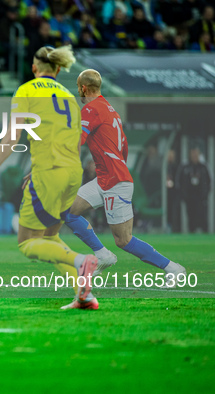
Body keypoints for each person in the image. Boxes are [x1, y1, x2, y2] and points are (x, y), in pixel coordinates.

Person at [0, 45, 99, 310]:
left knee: (27, 242)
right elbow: (76, 141)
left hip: (49, 173)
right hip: (72, 172)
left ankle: (82, 261)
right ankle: (84, 294)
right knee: (50, 236)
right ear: (56, 68)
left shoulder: (26, 90)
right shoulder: (69, 96)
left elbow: (14, 135)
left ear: (34, 68)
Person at [62, 69, 187, 288]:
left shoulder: (91, 108)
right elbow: (124, 147)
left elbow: (76, 142)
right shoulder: (111, 110)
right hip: (106, 178)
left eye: (77, 86)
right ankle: (102, 255)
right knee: (68, 210)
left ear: (83, 88)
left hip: (114, 182)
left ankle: (173, 268)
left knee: (124, 240)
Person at [177, 146, 211, 233]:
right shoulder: (185, 167)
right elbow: (179, 181)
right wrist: (183, 195)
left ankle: (205, 234)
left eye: (196, 153)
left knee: (202, 217)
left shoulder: (203, 167)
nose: (194, 155)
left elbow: (209, 181)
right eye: (193, 153)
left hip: (201, 198)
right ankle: (191, 232)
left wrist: (205, 195)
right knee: (191, 217)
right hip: (189, 197)